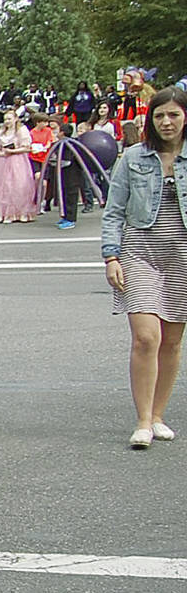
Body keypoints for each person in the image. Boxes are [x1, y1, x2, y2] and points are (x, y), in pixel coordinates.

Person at [101, 86, 187, 449]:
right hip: (140, 251)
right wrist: (111, 255)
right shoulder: (134, 157)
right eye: (159, 116)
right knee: (146, 336)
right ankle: (141, 422)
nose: (166, 122)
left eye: (174, 115)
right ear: (150, 120)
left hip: (181, 253)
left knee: (171, 339)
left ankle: (157, 416)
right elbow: (113, 209)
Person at [0, 110, 36, 223]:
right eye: (5, 119)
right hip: (3, 161)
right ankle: (3, 214)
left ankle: (20, 213)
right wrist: (1, 153)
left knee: (19, 186)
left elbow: (27, 147)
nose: (7, 122)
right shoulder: (2, 131)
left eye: (9, 119)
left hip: (18, 161)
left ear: (15, 119)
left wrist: (13, 151)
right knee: (2, 187)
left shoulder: (21, 130)